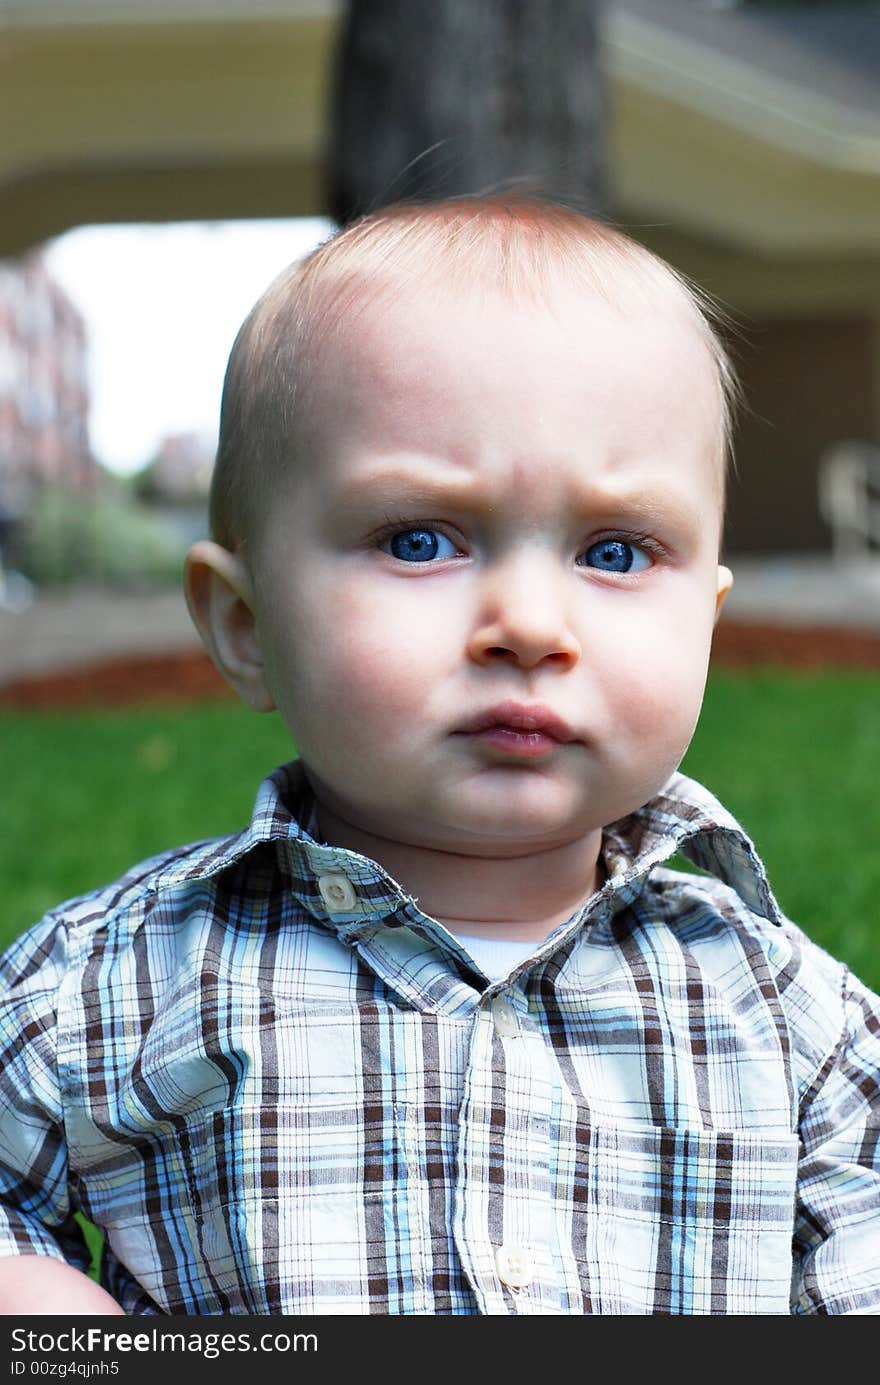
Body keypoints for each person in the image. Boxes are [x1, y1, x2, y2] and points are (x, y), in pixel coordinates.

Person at [1, 197, 878, 1317]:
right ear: (244, 624)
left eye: (614, 551)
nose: (526, 622)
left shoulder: (796, 1020)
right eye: (420, 538)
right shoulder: (112, 986)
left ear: (703, 622)